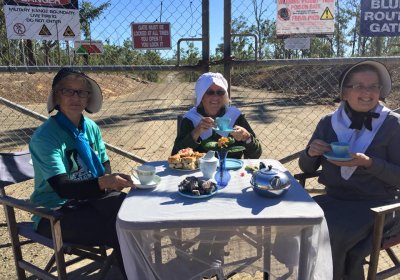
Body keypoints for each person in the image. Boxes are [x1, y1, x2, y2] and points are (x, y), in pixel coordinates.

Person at [298, 60, 400, 280]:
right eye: (359, 86)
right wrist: (310, 153)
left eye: (373, 86)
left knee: (332, 233)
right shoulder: (328, 123)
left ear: (380, 92)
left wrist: (369, 164)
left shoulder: (393, 124)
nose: (367, 92)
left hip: (379, 205)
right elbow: (306, 167)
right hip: (335, 199)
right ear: (344, 93)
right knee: (293, 223)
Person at [29, 68, 135, 278]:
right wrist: (104, 183)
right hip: (54, 213)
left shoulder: (91, 127)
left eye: (82, 92)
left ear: (88, 98)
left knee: (133, 210)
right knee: (122, 227)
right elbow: (63, 188)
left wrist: (110, 181)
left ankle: (137, 271)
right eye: (68, 91)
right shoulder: (46, 136)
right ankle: (135, 274)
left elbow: (104, 165)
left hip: (89, 200)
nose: (75, 97)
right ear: (57, 96)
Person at [172, 72, 262, 159]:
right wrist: (196, 133)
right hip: (199, 172)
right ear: (201, 97)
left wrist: (247, 137)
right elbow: (175, 155)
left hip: (231, 171)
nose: (215, 97)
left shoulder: (235, 116)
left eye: (220, 92)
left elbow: (256, 154)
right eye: (210, 92)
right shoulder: (191, 119)